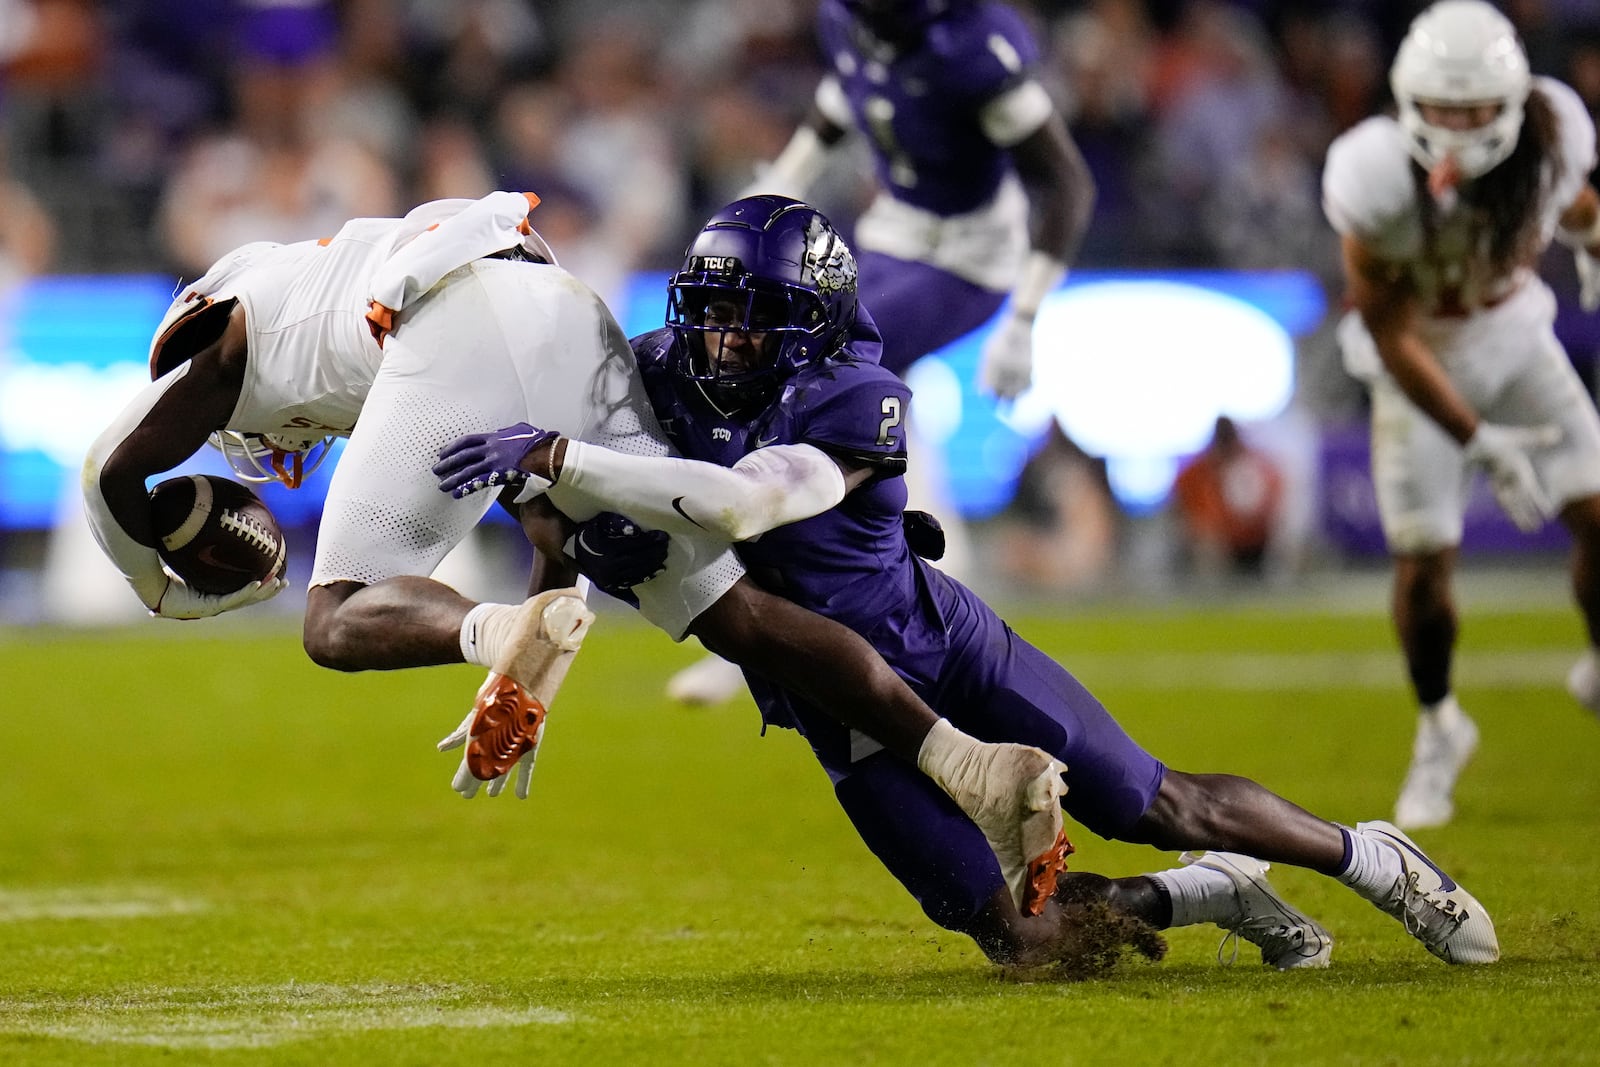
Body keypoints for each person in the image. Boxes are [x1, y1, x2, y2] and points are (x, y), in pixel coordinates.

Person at [438, 195, 1501, 970]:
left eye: (753, 315)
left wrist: (575, 472)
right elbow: (544, 500)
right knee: (1024, 938)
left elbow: (743, 502)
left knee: (1155, 799)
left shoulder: (856, 390)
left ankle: (1369, 858)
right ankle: (1205, 895)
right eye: (713, 309)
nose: (724, 336)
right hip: (831, 707)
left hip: (938, 645)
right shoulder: (657, 366)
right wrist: (561, 543)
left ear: (808, 317)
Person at [79, 189, 1076, 921]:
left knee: (335, 617)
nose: (281, 454)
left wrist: (163, 582)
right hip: (563, 312)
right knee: (729, 609)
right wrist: (532, 660)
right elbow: (548, 515)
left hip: (450, 329)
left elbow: (113, 474)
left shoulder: (217, 340)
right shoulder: (326, 272)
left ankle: (490, 631)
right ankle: (968, 763)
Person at [664, 0, 1098, 705]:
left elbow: (1069, 183)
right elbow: (838, 105)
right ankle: (939, 589)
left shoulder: (973, 48)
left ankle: (773, 620)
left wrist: (1024, 316)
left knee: (809, 379)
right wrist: (778, 185)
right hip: (892, 236)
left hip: (969, 259)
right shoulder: (849, 22)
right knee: (844, 386)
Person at [1322, 0, 1600, 830]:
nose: (1457, 126)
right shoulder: (1371, 174)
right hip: (1420, 364)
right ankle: (1441, 724)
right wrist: (1479, 440)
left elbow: (1575, 203)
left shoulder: (1552, 139)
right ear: (1408, 97)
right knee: (1425, 564)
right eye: (1442, 107)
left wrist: (1593, 245)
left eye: (1475, 109)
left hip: (1515, 338)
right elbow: (1389, 330)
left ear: (1511, 104)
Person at [1171, 415, 1285, 578]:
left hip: (1255, 541)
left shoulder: (1256, 466)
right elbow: (1183, 506)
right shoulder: (1198, 472)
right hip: (1215, 544)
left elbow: (1274, 498)